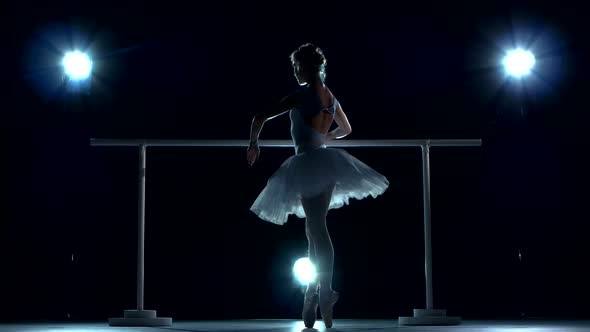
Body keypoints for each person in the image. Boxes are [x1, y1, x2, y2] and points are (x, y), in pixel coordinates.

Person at [246, 43, 389, 329]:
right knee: (313, 230)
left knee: (317, 230)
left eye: (296, 66)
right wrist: (325, 140)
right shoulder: (330, 97)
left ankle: (325, 292)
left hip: (307, 164)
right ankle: (313, 295)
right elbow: (346, 129)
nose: (294, 71)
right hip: (325, 162)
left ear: (305, 66)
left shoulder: (299, 95)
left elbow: (258, 117)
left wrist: (253, 144)